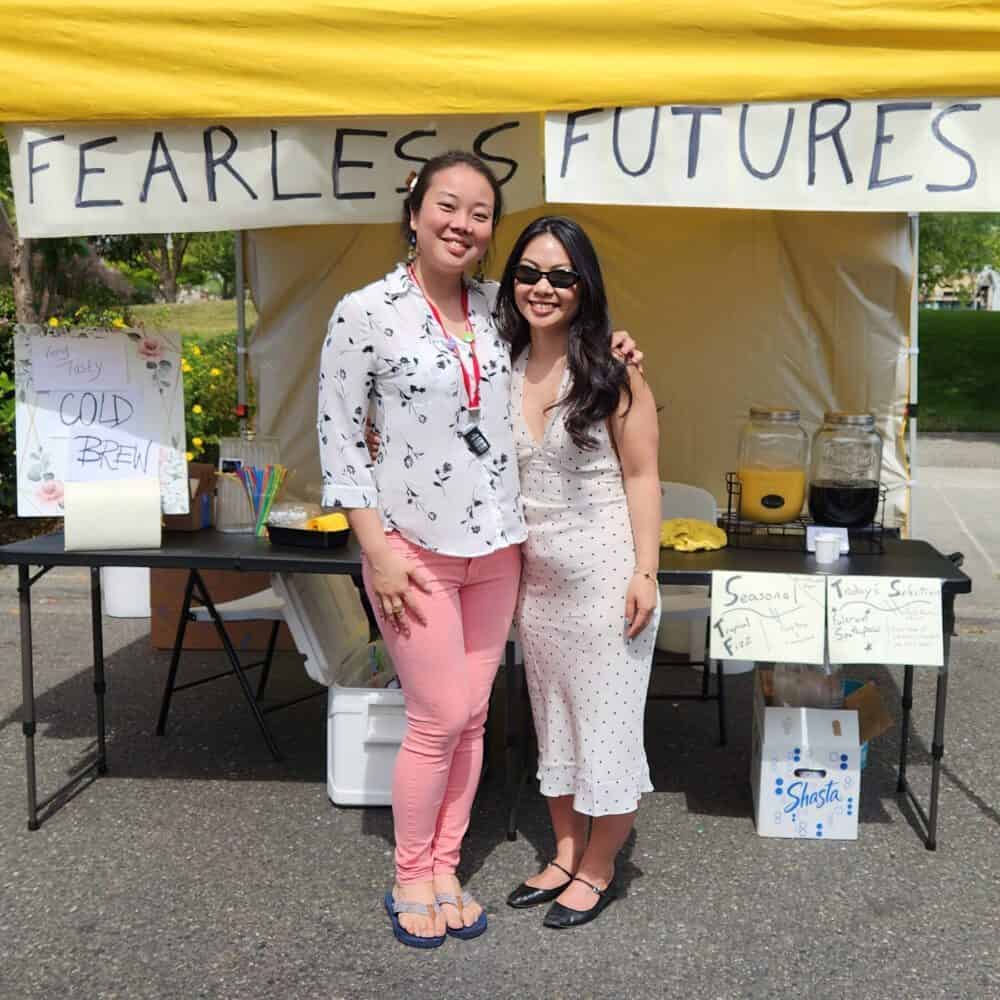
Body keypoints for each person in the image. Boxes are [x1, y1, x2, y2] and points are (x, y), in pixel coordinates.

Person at [317, 153, 640, 948]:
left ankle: (448, 866)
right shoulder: (365, 312)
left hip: (498, 550)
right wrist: (376, 549)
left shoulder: (500, 307)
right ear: (416, 210)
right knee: (438, 716)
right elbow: (339, 443)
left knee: (470, 723)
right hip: (410, 549)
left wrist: (619, 345)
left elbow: (565, 330)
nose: (463, 224)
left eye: (481, 212)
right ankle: (411, 874)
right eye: (447, 206)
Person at [497, 216, 661, 929]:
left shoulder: (612, 372)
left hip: (604, 581)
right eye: (529, 272)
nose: (543, 287)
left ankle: (599, 867)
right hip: (537, 587)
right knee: (555, 725)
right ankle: (566, 850)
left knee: (608, 731)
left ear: (584, 286)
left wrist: (646, 572)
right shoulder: (498, 363)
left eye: (562, 276)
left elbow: (644, 475)